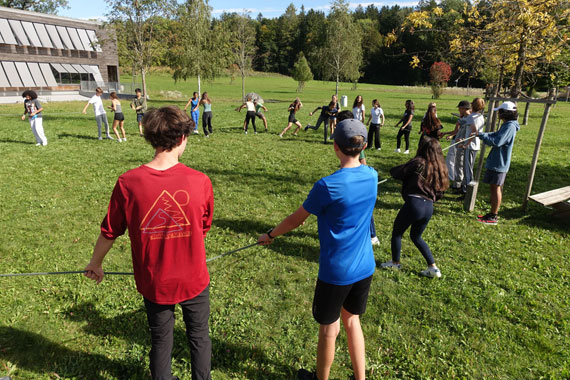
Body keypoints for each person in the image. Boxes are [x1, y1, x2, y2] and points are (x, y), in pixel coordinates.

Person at [84, 106, 213, 380]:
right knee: (199, 337)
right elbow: (203, 227)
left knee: (160, 339)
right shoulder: (200, 182)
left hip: (156, 281)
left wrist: (96, 263)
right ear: (182, 140)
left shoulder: (128, 182)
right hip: (193, 277)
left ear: (150, 138)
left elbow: (110, 230)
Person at [258, 118, 377, 380]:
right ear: (364, 146)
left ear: (334, 146)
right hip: (365, 267)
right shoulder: (372, 176)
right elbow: (363, 165)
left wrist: (270, 235)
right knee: (352, 320)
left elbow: (296, 219)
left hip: (336, 272)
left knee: (328, 329)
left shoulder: (327, 185)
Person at [380, 137, 449, 278]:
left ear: (422, 149)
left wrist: (408, 165)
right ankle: (433, 268)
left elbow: (397, 172)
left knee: (397, 233)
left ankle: (395, 262)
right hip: (429, 207)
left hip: (414, 204)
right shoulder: (440, 167)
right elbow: (440, 192)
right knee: (416, 236)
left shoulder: (418, 163)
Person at [474, 101, 520, 224]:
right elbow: (496, 134)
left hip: (500, 163)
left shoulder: (510, 126)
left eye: (500, 111)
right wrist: (482, 134)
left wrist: (483, 137)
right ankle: (491, 213)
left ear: (506, 113)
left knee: (496, 188)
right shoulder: (507, 124)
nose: (498, 114)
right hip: (496, 161)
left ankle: (493, 216)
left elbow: (497, 141)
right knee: (493, 188)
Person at [458, 98, 485, 198]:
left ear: (472, 106)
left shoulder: (471, 117)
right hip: (475, 145)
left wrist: (466, 144)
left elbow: (474, 133)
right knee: (468, 168)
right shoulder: (480, 116)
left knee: (468, 170)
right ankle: (464, 188)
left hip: (470, 147)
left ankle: (467, 193)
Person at [445, 101, 472, 192]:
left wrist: (463, 139)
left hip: (464, 145)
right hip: (458, 144)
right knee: (456, 164)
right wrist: (449, 135)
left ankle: (460, 185)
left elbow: (472, 133)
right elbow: (457, 130)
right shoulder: (463, 118)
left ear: (464, 108)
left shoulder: (470, 118)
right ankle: (456, 184)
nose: (458, 110)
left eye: (460, 108)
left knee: (461, 164)